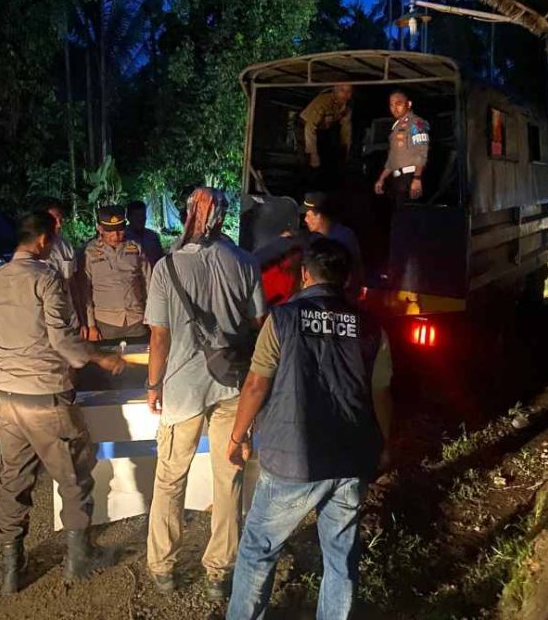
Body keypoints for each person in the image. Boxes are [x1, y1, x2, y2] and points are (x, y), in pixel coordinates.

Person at [225, 238, 393, 620]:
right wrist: (383, 444)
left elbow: (255, 384)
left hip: (293, 458)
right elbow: (381, 392)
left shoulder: (282, 318)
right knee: (340, 556)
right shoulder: (370, 326)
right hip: (352, 457)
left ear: (304, 275)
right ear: (346, 279)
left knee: (257, 549)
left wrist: (237, 438)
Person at [0, 211, 126, 594]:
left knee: (13, 481)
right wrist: (99, 357)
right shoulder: (45, 280)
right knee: (75, 475)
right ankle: (79, 560)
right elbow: (62, 341)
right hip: (45, 397)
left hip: (8, 400)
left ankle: (12, 569)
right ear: (43, 241)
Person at [145, 187, 267, 601]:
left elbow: (159, 336)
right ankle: (220, 572)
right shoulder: (245, 262)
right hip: (232, 384)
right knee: (228, 477)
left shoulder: (167, 267)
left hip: (181, 389)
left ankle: (163, 567)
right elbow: (259, 322)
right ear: (222, 217)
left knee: (169, 479)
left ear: (187, 216)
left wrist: (152, 384)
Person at [83, 205, 152, 341]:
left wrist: (151, 317)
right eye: (110, 231)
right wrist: (91, 325)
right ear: (100, 228)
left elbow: (149, 283)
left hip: (137, 320)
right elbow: (85, 291)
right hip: (106, 322)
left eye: (120, 230)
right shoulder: (89, 253)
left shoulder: (135, 248)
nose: (115, 236)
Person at [301, 191, 365, 297]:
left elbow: (352, 276)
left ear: (319, 216)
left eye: (308, 215)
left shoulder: (344, 238)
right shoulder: (315, 237)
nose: (305, 219)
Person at [374, 90, 430, 206]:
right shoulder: (396, 126)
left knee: (410, 214)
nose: (394, 108)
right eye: (391, 105)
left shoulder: (416, 123)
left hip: (410, 177)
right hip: (397, 179)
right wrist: (382, 178)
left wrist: (417, 178)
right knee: (399, 213)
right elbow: (392, 157)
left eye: (398, 103)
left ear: (408, 104)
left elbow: (422, 151)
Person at [38, 197, 81, 330]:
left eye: (60, 220)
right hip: (43, 319)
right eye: (54, 220)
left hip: (68, 317)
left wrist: (81, 319)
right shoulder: (33, 247)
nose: (59, 224)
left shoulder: (65, 245)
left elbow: (72, 283)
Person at [300, 83, 354, 185]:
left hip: (323, 128)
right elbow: (310, 127)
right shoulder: (324, 102)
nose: (345, 94)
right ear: (335, 91)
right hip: (305, 126)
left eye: (349, 91)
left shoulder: (347, 108)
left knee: (328, 154)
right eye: (342, 90)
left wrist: (346, 149)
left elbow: (346, 130)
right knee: (309, 159)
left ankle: (326, 184)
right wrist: (313, 154)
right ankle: (308, 185)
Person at [126, 199, 164, 269]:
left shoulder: (153, 237)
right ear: (128, 217)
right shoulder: (123, 238)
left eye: (142, 215)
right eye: (136, 216)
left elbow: (161, 259)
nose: (140, 219)